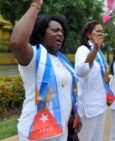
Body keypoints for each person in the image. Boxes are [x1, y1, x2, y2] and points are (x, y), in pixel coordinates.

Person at [10, 0, 82, 140]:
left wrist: (74, 113)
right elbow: (16, 42)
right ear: (41, 33)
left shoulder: (63, 60)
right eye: (55, 30)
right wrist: (36, 4)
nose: (60, 33)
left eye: (62, 31)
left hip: (61, 130)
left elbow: (66, 91)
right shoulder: (34, 56)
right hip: (36, 132)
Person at [75, 20, 113, 141]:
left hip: (101, 104)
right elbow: (81, 71)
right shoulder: (83, 50)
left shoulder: (100, 53)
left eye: (102, 31)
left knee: (98, 138)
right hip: (89, 106)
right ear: (88, 34)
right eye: (97, 31)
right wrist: (96, 48)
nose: (101, 33)